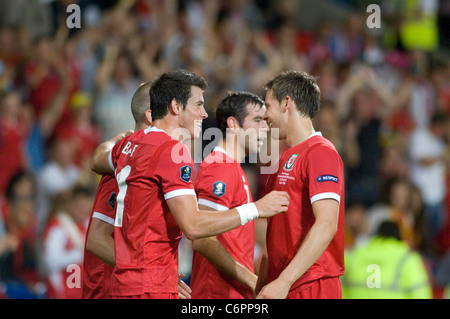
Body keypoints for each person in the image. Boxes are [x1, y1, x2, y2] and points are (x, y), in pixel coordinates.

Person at [90, 69, 289, 299]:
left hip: (129, 283)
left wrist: (112, 142)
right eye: (198, 105)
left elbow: (97, 161)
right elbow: (193, 227)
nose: (204, 114)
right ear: (176, 106)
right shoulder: (172, 151)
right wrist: (256, 209)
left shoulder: (130, 144)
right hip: (150, 288)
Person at [82, 81, 191, 299]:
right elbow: (97, 239)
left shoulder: (139, 157)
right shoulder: (129, 163)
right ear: (153, 115)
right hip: (111, 289)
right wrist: (151, 275)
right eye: (175, 111)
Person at [256, 70, 345, 299]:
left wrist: (284, 281)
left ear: (287, 103)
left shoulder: (321, 152)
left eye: (268, 105)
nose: (265, 115)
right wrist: (262, 286)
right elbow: (275, 234)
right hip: (284, 285)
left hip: (311, 284)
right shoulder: (285, 158)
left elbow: (327, 224)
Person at [189, 92, 269, 299]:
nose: (266, 128)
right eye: (258, 120)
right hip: (215, 294)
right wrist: (253, 280)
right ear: (233, 124)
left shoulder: (232, 169)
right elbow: (203, 239)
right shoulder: (219, 168)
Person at [342, 221, 432, 299]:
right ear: (400, 237)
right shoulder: (407, 259)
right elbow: (420, 293)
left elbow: (340, 290)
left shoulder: (353, 255)